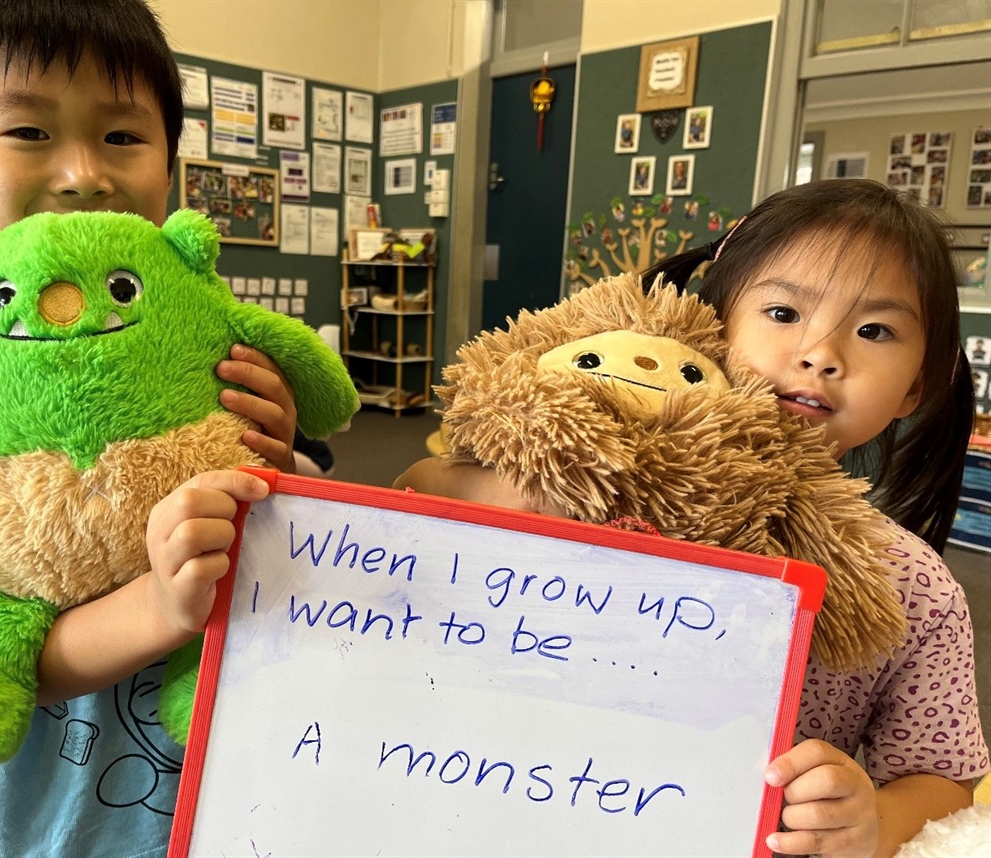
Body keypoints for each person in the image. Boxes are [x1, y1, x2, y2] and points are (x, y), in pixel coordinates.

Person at [395, 179, 987, 857]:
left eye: (875, 330)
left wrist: (872, 820)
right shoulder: (587, 482)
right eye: (783, 312)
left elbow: (943, 780)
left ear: (918, 383)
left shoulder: (914, 588)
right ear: (712, 323)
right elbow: (413, 507)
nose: (822, 353)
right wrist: (517, 499)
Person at [0, 1, 296, 854]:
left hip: (223, 804)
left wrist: (276, 454)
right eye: (28, 132)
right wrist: (158, 602)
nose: (84, 172)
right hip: (54, 828)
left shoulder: (200, 332)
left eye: (122, 137)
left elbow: (279, 538)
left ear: (170, 156)